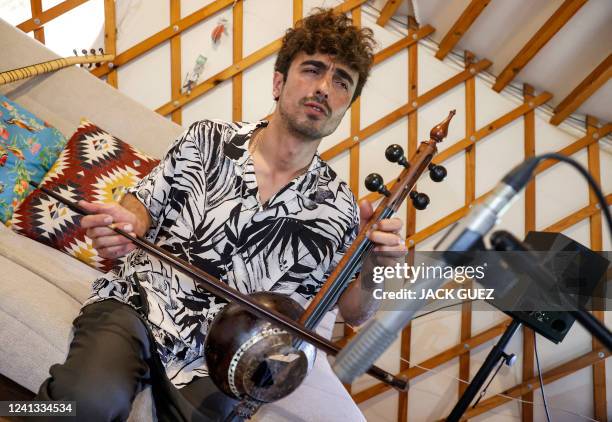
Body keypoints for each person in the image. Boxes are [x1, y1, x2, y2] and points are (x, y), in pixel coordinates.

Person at [34, 8, 406, 421]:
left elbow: (355, 312)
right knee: (80, 405)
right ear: (279, 82)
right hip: (140, 307)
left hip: (227, 361)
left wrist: (375, 267)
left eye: (341, 82)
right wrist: (129, 223)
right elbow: (141, 204)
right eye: (313, 69)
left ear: (346, 106)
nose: (323, 88)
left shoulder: (339, 210)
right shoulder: (206, 138)